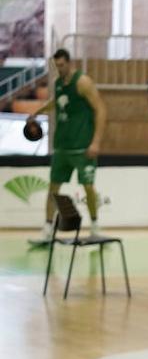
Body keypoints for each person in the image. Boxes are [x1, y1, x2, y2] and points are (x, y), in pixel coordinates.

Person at [28, 48, 108, 244]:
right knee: (53, 188)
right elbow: (58, 101)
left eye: (62, 65)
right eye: (56, 66)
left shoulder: (83, 82)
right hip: (62, 146)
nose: (59, 69)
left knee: (88, 187)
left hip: (82, 147)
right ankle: (47, 230)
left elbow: (101, 109)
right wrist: (39, 110)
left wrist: (96, 141)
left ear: (70, 63)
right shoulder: (58, 84)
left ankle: (95, 228)